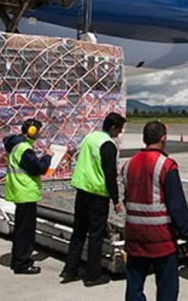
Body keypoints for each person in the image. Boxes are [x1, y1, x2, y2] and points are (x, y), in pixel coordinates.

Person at [122, 121, 188, 301]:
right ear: (163, 139)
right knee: (167, 286)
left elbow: (126, 197)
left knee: (134, 285)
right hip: (161, 238)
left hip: (134, 236)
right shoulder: (166, 165)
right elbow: (177, 205)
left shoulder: (128, 164)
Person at [61, 112, 125, 287]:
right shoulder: (108, 145)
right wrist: (116, 199)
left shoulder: (90, 138)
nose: (119, 133)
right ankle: (92, 275)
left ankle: (70, 270)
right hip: (97, 194)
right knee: (96, 235)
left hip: (82, 190)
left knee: (79, 232)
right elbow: (110, 174)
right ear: (113, 127)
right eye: (119, 129)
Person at [3, 118, 54, 275]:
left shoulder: (17, 146)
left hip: (20, 191)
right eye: (38, 131)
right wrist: (48, 157)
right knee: (26, 232)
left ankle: (18, 260)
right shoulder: (24, 148)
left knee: (21, 230)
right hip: (26, 192)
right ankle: (23, 263)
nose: (39, 134)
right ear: (32, 131)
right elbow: (38, 168)